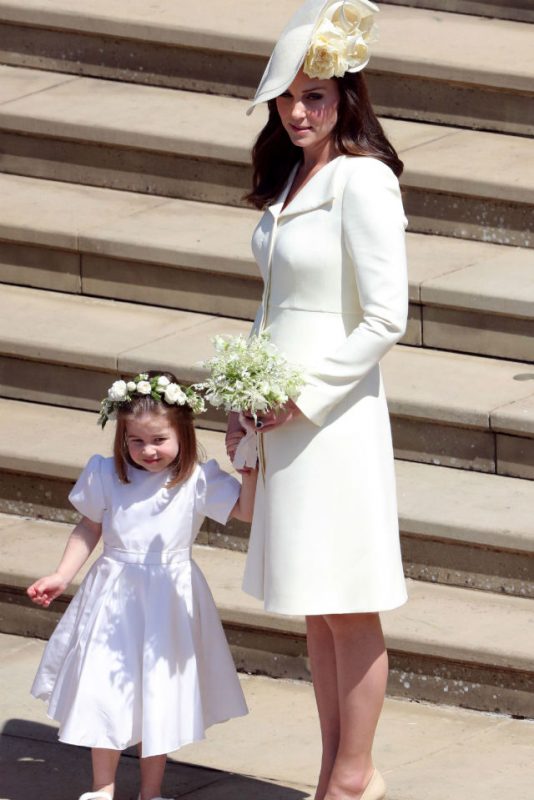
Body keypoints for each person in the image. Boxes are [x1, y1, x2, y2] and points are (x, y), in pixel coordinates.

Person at [226, 2, 408, 799]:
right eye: (289, 97)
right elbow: (277, 305)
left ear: (346, 100)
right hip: (279, 419)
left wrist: (303, 394)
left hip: (332, 421)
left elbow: (385, 316)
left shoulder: (361, 181)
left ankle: (355, 775)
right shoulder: (295, 177)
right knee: (316, 605)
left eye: (317, 97)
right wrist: (243, 389)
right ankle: (334, 770)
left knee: (350, 601)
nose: (299, 112)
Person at [28, 371, 256, 800]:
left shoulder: (197, 480)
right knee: (105, 688)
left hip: (169, 599)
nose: (148, 451)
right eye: (137, 441)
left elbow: (247, 510)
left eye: (159, 440)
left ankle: (151, 792)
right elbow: (89, 527)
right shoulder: (106, 474)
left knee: (159, 691)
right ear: (122, 438)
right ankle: (102, 787)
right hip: (113, 595)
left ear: (183, 435)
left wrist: (251, 464)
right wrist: (62, 574)